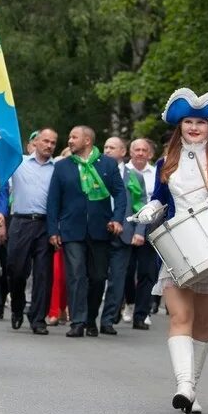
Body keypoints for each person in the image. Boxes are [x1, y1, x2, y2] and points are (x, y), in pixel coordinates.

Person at [134, 88, 208, 414]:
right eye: (188, 122)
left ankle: (192, 385)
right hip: (178, 245)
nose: (194, 127)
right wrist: (149, 210)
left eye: (200, 122)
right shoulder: (167, 161)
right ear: (180, 127)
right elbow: (161, 198)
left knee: (203, 323)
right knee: (180, 316)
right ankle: (184, 386)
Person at [47, 126, 127, 337]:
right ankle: (78, 321)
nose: (70, 140)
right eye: (70, 136)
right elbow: (53, 200)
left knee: (98, 277)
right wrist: (53, 229)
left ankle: (91, 318)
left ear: (88, 141)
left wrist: (117, 219)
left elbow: (120, 194)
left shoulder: (108, 165)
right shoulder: (62, 166)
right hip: (71, 230)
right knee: (75, 275)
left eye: (74, 137)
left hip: (101, 229)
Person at [6, 128, 57, 335]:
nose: (49, 145)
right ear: (35, 142)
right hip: (21, 222)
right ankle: (17, 307)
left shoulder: (58, 168)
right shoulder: (19, 163)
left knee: (43, 273)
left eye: (53, 142)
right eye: (45, 141)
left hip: (45, 224)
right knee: (16, 270)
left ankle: (38, 318)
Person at [99, 136, 148, 334]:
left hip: (124, 234)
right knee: (95, 277)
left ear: (123, 152)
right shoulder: (94, 171)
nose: (108, 150)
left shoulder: (135, 176)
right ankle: (86, 316)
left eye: (112, 147)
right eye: (105, 147)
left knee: (118, 279)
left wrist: (139, 231)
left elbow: (142, 206)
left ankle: (108, 320)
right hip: (98, 233)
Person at [124, 138, 159, 328]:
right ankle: (129, 303)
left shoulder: (155, 173)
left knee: (147, 273)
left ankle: (142, 313)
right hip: (127, 229)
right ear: (130, 152)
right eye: (136, 149)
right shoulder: (123, 172)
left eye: (144, 150)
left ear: (150, 154)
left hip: (149, 229)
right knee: (127, 272)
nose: (140, 153)